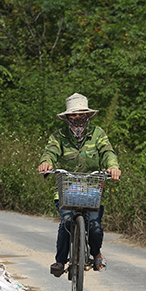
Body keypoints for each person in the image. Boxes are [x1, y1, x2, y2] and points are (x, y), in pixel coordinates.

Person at [38, 93, 121, 277]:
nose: (77, 118)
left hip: (92, 191)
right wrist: (46, 163)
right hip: (66, 191)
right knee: (67, 222)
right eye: (73, 115)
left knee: (95, 227)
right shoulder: (59, 136)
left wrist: (113, 167)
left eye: (81, 114)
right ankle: (60, 261)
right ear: (67, 117)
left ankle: (96, 253)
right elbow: (50, 152)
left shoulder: (98, 134)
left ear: (87, 115)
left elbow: (108, 152)